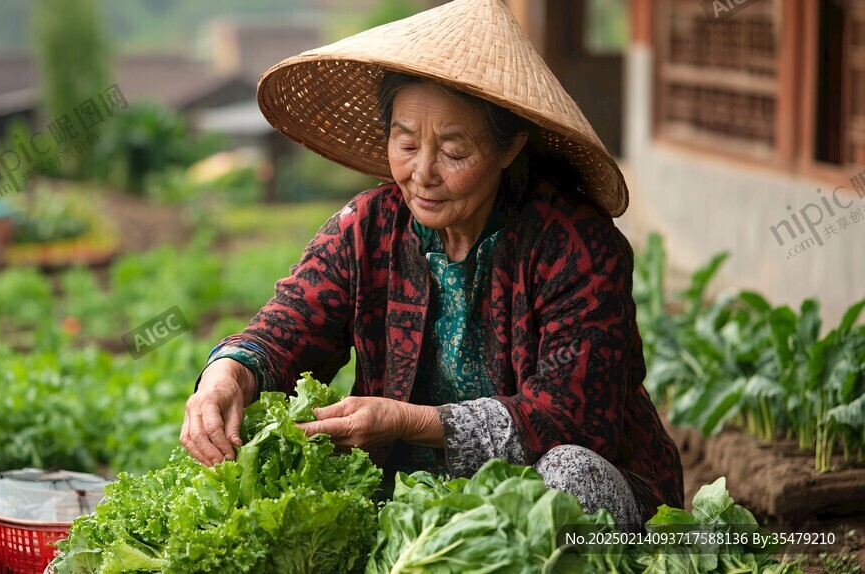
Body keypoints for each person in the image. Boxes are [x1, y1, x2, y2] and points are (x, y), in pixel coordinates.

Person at [179, 0, 682, 530]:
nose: (422, 173)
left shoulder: (575, 247)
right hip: (415, 513)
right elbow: (285, 329)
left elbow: (572, 420)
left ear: (509, 147)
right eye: (405, 141)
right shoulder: (367, 229)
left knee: (567, 474)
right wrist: (225, 376)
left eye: (454, 150)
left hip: (572, 501)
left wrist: (407, 422)